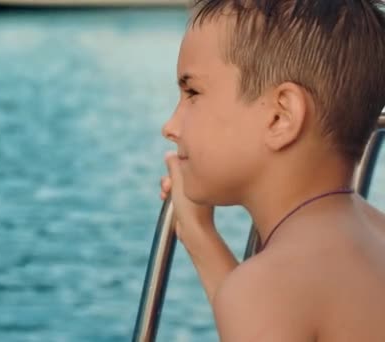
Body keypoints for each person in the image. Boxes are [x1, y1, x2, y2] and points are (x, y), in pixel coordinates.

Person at [158, 0, 385, 340]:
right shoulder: (373, 234)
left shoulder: (265, 289)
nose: (170, 126)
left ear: (280, 118)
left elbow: (261, 305)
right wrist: (199, 234)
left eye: (192, 93)